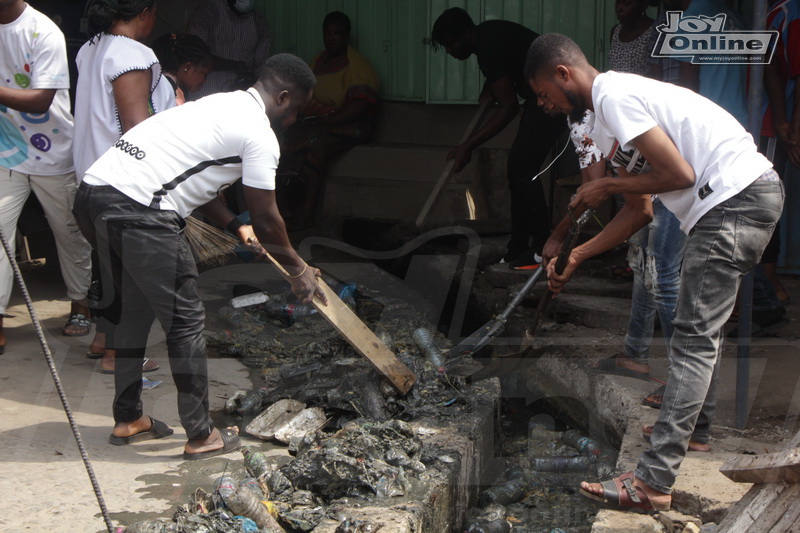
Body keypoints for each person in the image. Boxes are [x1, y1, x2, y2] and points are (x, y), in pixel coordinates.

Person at [526, 33, 782, 512]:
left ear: (565, 74)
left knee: (692, 337)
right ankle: (696, 432)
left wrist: (605, 185)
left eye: (545, 94)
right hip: (736, 199)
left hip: (735, 198)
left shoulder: (614, 95)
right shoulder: (607, 117)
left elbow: (680, 176)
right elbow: (640, 211)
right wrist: (578, 254)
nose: (546, 105)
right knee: (702, 330)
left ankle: (654, 482)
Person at [73, 53, 326, 460]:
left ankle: (129, 419)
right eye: (296, 110)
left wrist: (230, 224)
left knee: (132, 310)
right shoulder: (260, 134)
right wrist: (297, 269)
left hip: (93, 196)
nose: (294, 120)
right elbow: (266, 215)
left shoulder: (215, 104)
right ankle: (200, 433)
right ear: (282, 97)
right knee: (186, 321)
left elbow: (193, 175)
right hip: (141, 211)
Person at [74, 0, 176, 373]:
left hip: (89, 173)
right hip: (121, 181)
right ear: (145, 12)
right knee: (133, 273)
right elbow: (137, 126)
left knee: (110, 265)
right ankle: (119, 354)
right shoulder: (133, 53)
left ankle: (103, 339)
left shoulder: (91, 48)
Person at [430, 8, 564, 270]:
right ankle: (517, 250)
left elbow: (509, 107)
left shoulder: (488, 46)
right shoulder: (488, 38)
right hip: (543, 95)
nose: (450, 50)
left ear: (467, 34)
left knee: (522, 169)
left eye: (452, 43)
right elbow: (507, 67)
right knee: (518, 170)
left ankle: (539, 249)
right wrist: (489, 87)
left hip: (556, 97)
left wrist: (468, 146)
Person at [0, 0, 93, 351]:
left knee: (70, 234)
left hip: (55, 155)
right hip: (7, 152)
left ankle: (81, 305)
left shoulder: (43, 32)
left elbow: (41, 100)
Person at [279, 11, 379, 231]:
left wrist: (328, 121)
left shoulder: (357, 64)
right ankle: (284, 208)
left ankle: (306, 212)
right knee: (286, 139)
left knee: (314, 144)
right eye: (328, 32)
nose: (332, 38)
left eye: (338, 33)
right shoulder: (318, 60)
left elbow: (361, 104)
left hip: (353, 123)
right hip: (320, 121)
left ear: (346, 36)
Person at [185, 0, 271, 99]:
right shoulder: (207, 13)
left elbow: (260, 68)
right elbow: (195, 54)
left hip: (239, 99)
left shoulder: (259, 23)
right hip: (205, 96)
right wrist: (235, 66)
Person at [152, 33, 213, 105]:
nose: (205, 81)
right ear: (188, 67)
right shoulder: (171, 91)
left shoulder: (160, 80)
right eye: (204, 74)